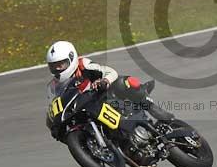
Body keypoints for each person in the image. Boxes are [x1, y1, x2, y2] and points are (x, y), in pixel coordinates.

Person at [44, 40, 174, 139]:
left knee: (125, 82)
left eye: (61, 64)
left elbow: (111, 72)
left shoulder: (84, 65)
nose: (58, 69)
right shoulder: (54, 85)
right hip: (86, 110)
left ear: (71, 59)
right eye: (54, 66)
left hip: (106, 98)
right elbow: (55, 104)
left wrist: (104, 81)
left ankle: (155, 110)